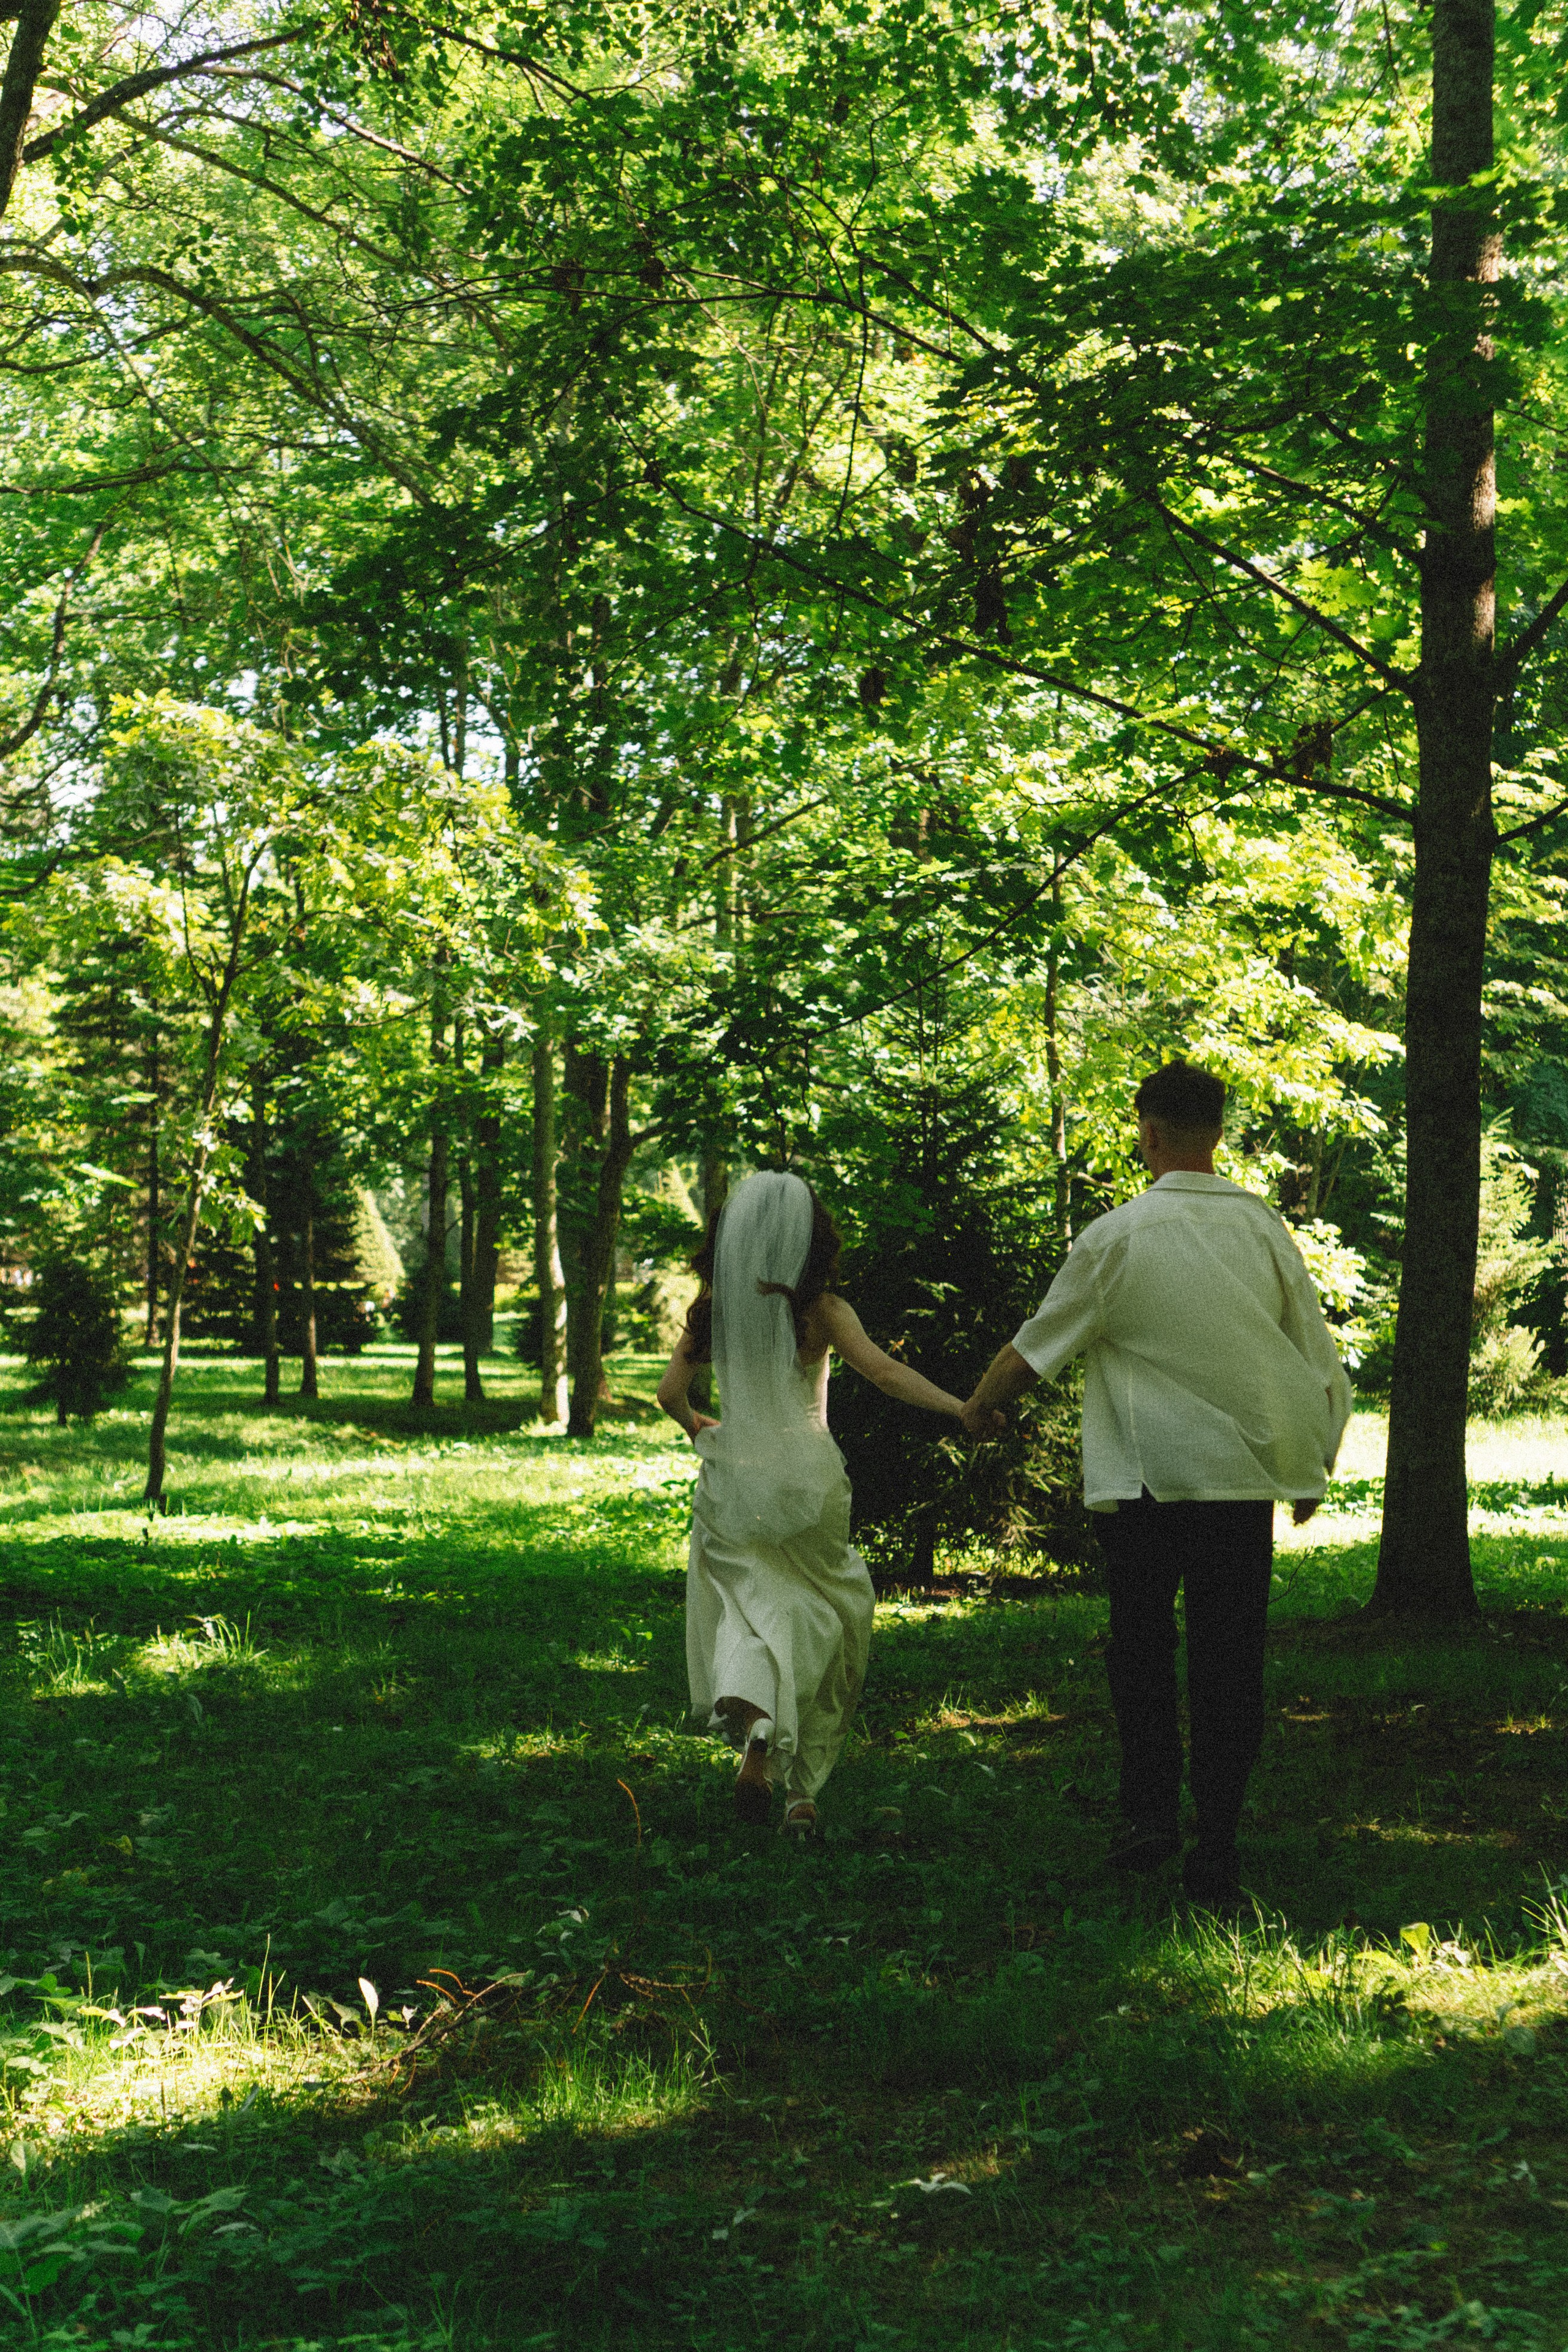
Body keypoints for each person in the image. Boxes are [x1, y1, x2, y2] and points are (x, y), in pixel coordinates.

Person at [960, 1061, 1353, 1904]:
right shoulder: (1265, 1233)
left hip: (1143, 1484)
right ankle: (1218, 1839)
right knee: (1229, 1658)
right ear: (1217, 1132)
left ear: (1149, 1134)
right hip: (1240, 1484)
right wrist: (1314, 1456)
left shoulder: (1117, 1236)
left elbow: (1036, 1348)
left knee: (1140, 1650)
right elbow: (1315, 1355)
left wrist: (979, 1406)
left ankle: (1147, 1819)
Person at [657, 1170, 966, 1833]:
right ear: (812, 1237)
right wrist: (959, 1408)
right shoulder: (821, 1311)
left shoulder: (715, 1307)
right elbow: (884, 1371)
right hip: (809, 1478)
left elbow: (669, 1393)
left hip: (733, 1478)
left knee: (751, 1611)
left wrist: (697, 1427)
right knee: (832, 1611)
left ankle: (761, 1731)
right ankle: (801, 1793)